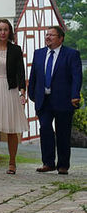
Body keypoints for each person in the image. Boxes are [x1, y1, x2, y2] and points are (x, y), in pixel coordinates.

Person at [27, 25, 82, 175]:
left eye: (52, 35)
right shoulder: (38, 54)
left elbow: (77, 77)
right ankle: (48, 162)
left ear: (60, 38)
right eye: (47, 35)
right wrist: (32, 94)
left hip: (64, 100)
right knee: (45, 128)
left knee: (63, 132)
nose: (48, 37)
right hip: (43, 100)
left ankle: (63, 165)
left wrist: (75, 95)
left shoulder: (71, 54)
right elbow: (34, 76)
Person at [0, 19, 27, 174]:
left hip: (10, 89)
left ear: (9, 31)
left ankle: (12, 162)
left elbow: (20, 72)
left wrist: (22, 92)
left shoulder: (16, 49)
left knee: (11, 127)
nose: (2, 32)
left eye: (5, 29)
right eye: (0, 30)